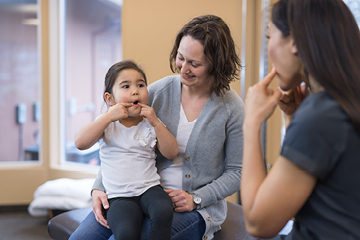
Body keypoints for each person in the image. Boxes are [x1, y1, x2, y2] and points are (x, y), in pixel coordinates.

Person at [69, 14, 245, 240]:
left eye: (195, 63)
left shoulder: (231, 107)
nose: (183, 68)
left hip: (192, 208)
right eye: (181, 57)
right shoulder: (157, 92)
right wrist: (99, 187)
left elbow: (237, 171)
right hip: (130, 193)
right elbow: (121, 141)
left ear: (216, 63)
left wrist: (197, 198)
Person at [241, 0, 360, 239]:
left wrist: (252, 123)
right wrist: (293, 118)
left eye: (269, 37)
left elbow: (257, 223)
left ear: (294, 42)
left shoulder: (321, 114)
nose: (269, 49)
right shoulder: (341, 102)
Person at [74, 60, 177, 240]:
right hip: (119, 197)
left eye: (140, 85)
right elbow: (80, 143)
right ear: (109, 98)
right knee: (125, 233)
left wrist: (156, 123)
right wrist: (106, 117)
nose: (135, 90)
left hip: (150, 189)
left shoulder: (151, 123)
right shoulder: (106, 124)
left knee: (164, 211)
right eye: (126, 86)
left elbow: (171, 152)